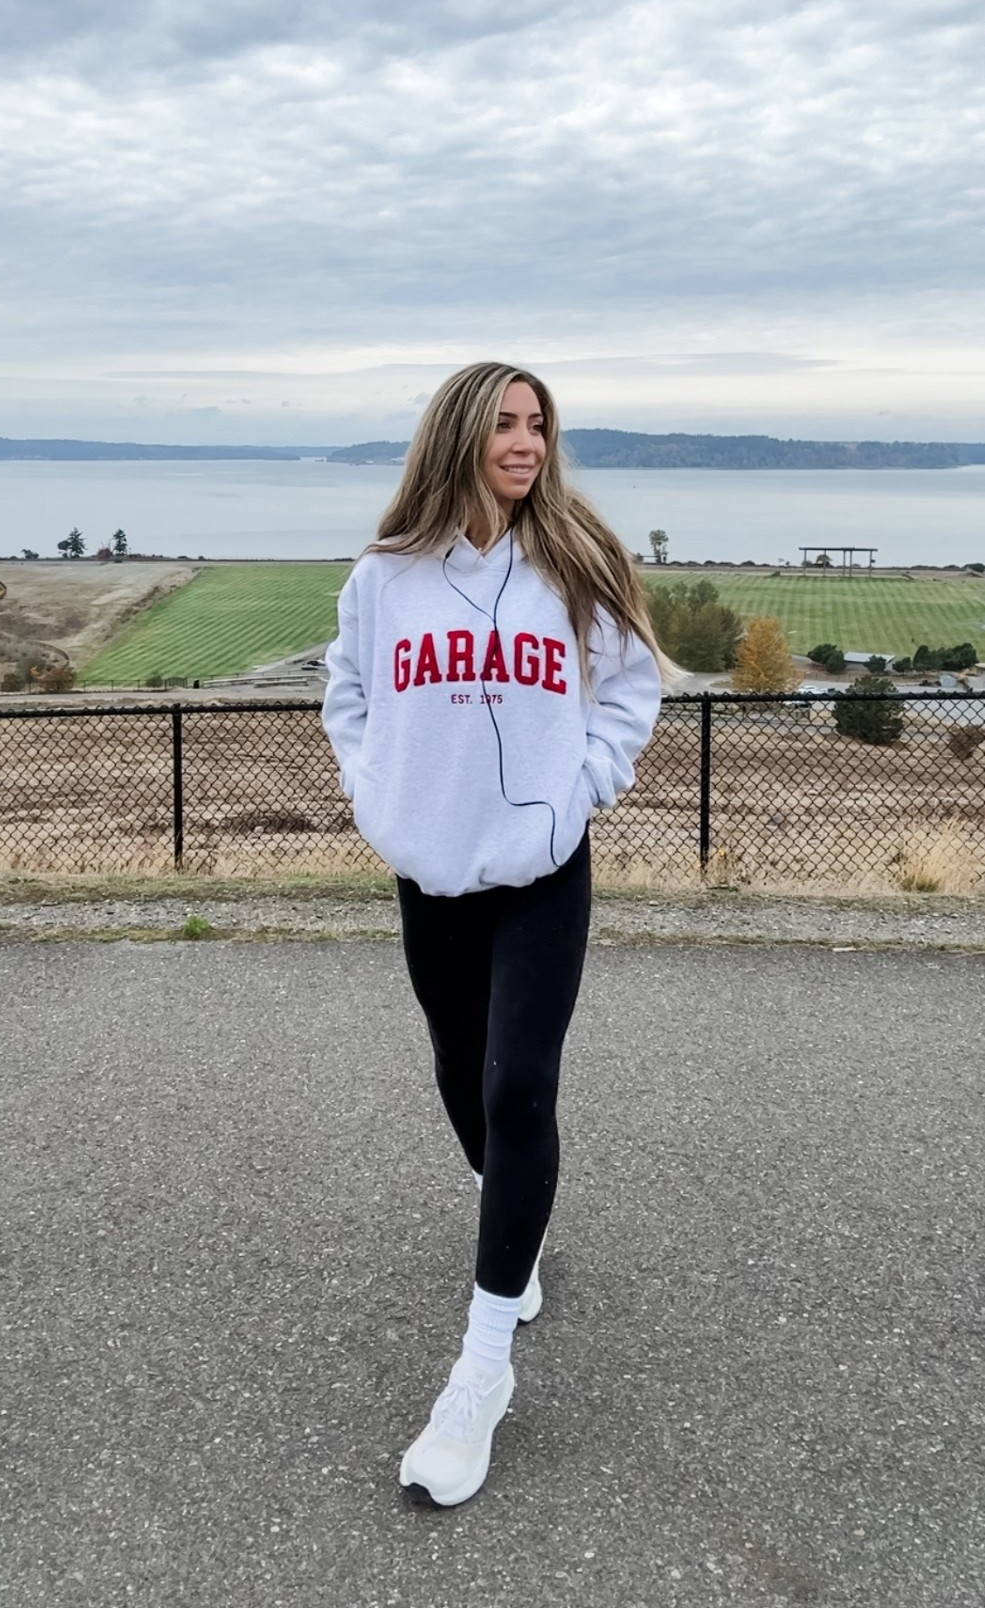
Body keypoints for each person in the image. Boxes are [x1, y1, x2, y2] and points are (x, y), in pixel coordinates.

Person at [322, 360, 673, 1508]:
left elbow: (629, 689)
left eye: (539, 425)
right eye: (506, 424)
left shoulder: (578, 558)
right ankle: (507, 1222)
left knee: (519, 1085)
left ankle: (479, 1372)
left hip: (541, 868)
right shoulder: (385, 576)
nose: (526, 442)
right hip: (432, 867)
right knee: (459, 1069)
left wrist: (586, 785)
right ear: (458, 436)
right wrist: (376, 795)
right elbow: (347, 693)